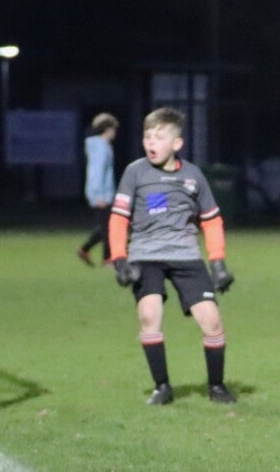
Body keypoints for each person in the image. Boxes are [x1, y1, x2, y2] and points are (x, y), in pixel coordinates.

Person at [106, 108, 237, 405]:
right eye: (147, 136)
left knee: (212, 321)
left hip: (185, 254)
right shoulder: (135, 172)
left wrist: (218, 263)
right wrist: (120, 260)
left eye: (159, 137)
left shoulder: (193, 175)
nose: (151, 142)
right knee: (149, 315)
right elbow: (118, 218)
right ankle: (162, 387)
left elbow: (211, 220)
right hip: (145, 254)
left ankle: (217, 387)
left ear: (177, 144)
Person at [77, 112, 119, 266]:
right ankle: (107, 259)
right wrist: (98, 194)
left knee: (105, 226)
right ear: (108, 129)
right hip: (102, 194)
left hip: (104, 193)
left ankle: (85, 249)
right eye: (113, 129)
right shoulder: (102, 147)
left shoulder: (101, 146)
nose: (115, 132)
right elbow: (97, 172)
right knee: (108, 227)